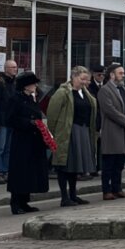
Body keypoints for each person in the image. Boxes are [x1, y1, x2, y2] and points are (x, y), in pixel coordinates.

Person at [46, 66, 97, 207]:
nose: (85, 82)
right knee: (64, 166)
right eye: (82, 79)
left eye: (87, 79)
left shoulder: (85, 93)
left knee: (75, 166)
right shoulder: (63, 93)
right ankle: (64, 197)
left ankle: (73, 195)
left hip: (83, 131)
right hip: (68, 132)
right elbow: (52, 114)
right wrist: (55, 133)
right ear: (73, 77)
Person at [6, 71, 50, 214]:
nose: (35, 86)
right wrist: (28, 122)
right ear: (25, 86)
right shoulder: (15, 99)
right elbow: (10, 119)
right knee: (20, 171)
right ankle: (16, 202)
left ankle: (25, 201)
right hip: (22, 140)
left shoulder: (32, 99)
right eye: (33, 83)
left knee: (30, 172)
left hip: (33, 140)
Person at [97, 63, 125, 197]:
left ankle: (117, 188)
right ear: (112, 75)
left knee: (119, 164)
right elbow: (110, 110)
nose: (123, 75)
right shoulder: (104, 90)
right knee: (109, 163)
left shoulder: (124, 90)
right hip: (112, 131)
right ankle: (106, 191)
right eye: (121, 73)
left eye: (123, 73)